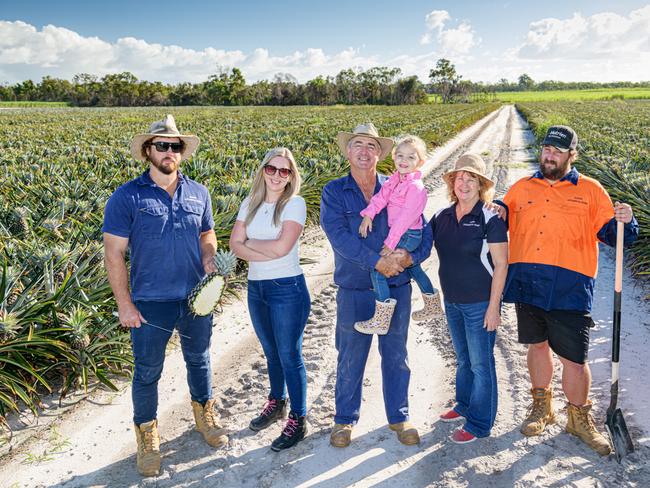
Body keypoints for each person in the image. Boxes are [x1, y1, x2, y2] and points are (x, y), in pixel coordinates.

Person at [501, 125, 639, 456]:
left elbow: (616, 236)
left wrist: (626, 220)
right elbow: (500, 216)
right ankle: (542, 407)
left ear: (571, 155)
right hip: (528, 279)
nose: (549, 155)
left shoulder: (591, 190)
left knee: (574, 359)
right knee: (537, 347)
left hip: (570, 285)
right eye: (547, 149)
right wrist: (494, 207)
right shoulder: (522, 187)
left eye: (558, 151)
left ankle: (578, 418)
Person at [103, 115, 227, 477]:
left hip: (194, 297)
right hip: (149, 301)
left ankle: (204, 415)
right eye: (162, 145)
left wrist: (208, 255)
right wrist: (124, 303)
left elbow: (208, 233)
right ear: (148, 151)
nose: (169, 151)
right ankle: (147, 434)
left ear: (181, 152)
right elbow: (113, 254)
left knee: (200, 359)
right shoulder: (127, 196)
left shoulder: (198, 193)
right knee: (147, 372)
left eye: (175, 146)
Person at [320, 123, 433, 448]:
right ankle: (344, 420)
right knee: (351, 355)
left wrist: (410, 259)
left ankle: (399, 416)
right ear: (348, 151)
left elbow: (421, 230)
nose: (364, 151)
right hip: (355, 288)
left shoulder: (399, 185)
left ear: (380, 153)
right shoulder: (334, 191)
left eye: (371, 145)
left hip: (397, 286)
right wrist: (377, 262)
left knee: (396, 354)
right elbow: (339, 237)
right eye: (358, 144)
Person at [229, 147, 311, 451]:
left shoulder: (294, 204)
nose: (277, 175)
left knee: (290, 355)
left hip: (287, 288)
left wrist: (250, 244)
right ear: (263, 170)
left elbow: (282, 249)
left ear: (291, 177)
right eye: (272, 169)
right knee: (271, 352)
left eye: (284, 171)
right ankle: (277, 402)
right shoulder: (249, 203)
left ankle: (299, 419)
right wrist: (265, 246)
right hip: (257, 288)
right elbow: (234, 245)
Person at [431, 153, 508, 444]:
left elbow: (501, 264)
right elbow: (420, 244)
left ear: (480, 185)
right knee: (463, 359)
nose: (464, 183)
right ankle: (464, 405)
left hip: (479, 304)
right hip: (452, 301)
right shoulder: (442, 216)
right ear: (452, 183)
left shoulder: (490, 217)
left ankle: (479, 422)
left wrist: (493, 307)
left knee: (481, 363)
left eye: (470, 178)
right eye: (459, 177)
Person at [355, 135, 442, 335]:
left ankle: (382, 318)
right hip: (402, 232)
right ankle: (433, 305)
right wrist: (368, 215)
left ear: (420, 162)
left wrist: (391, 243)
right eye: (400, 155)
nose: (404, 161)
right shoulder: (394, 180)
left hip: (408, 234)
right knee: (413, 268)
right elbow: (380, 198)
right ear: (394, 158)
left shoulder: (416, 188)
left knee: (378, 270)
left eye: (411, 157)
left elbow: (404, 218)